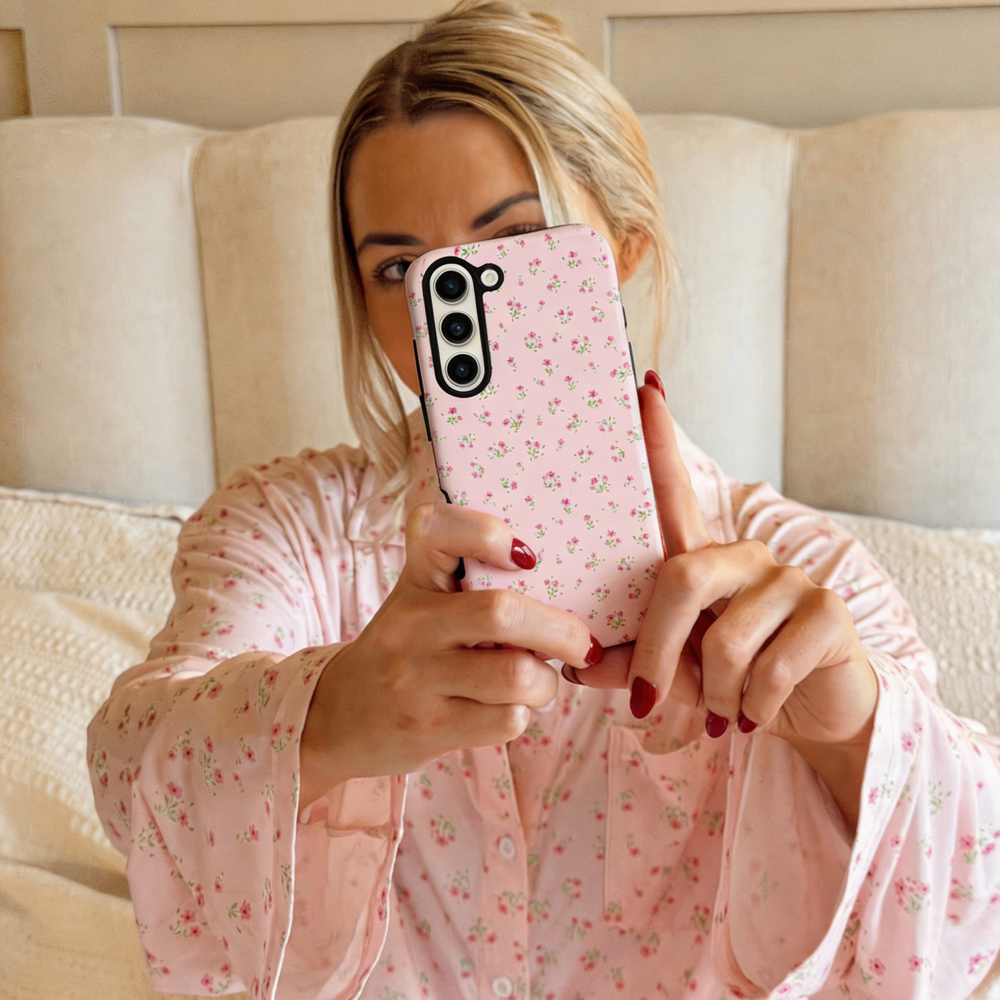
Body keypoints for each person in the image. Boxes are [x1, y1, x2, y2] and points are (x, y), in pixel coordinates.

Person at [87, 2, 1000, 997]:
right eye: (402, 269)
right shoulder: (288, 533)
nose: (459, 302)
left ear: (622, 249)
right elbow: (130, 772)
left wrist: (852, 730)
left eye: (513, 240)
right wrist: (329, 716)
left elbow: (972, 888)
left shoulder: (795, 575)